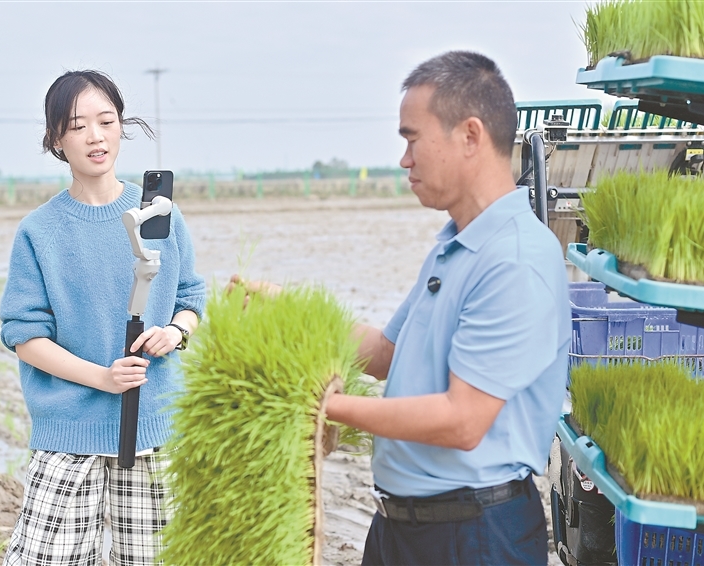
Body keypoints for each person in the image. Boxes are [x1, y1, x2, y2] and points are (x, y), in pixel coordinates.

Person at [233, 50, 570, 565]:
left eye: (412, 139)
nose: (404, 159)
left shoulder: (516, 260)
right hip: (402, 529)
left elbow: (462, 420)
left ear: (470, 136)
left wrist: (326, 407)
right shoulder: (455, 243)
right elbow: (389, 351)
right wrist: (290, 313)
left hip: (473, 537)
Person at [0, 70, 205, 565]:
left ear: (120, 127)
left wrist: (175, 333)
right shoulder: (41, 231)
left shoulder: (159, 213)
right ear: (55, 138)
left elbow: (191, 296)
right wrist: (102, 378)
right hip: (69, 430)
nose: (95, 136)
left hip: (154, 426)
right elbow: (25, 335)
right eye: (77, 125)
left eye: (106, 121)